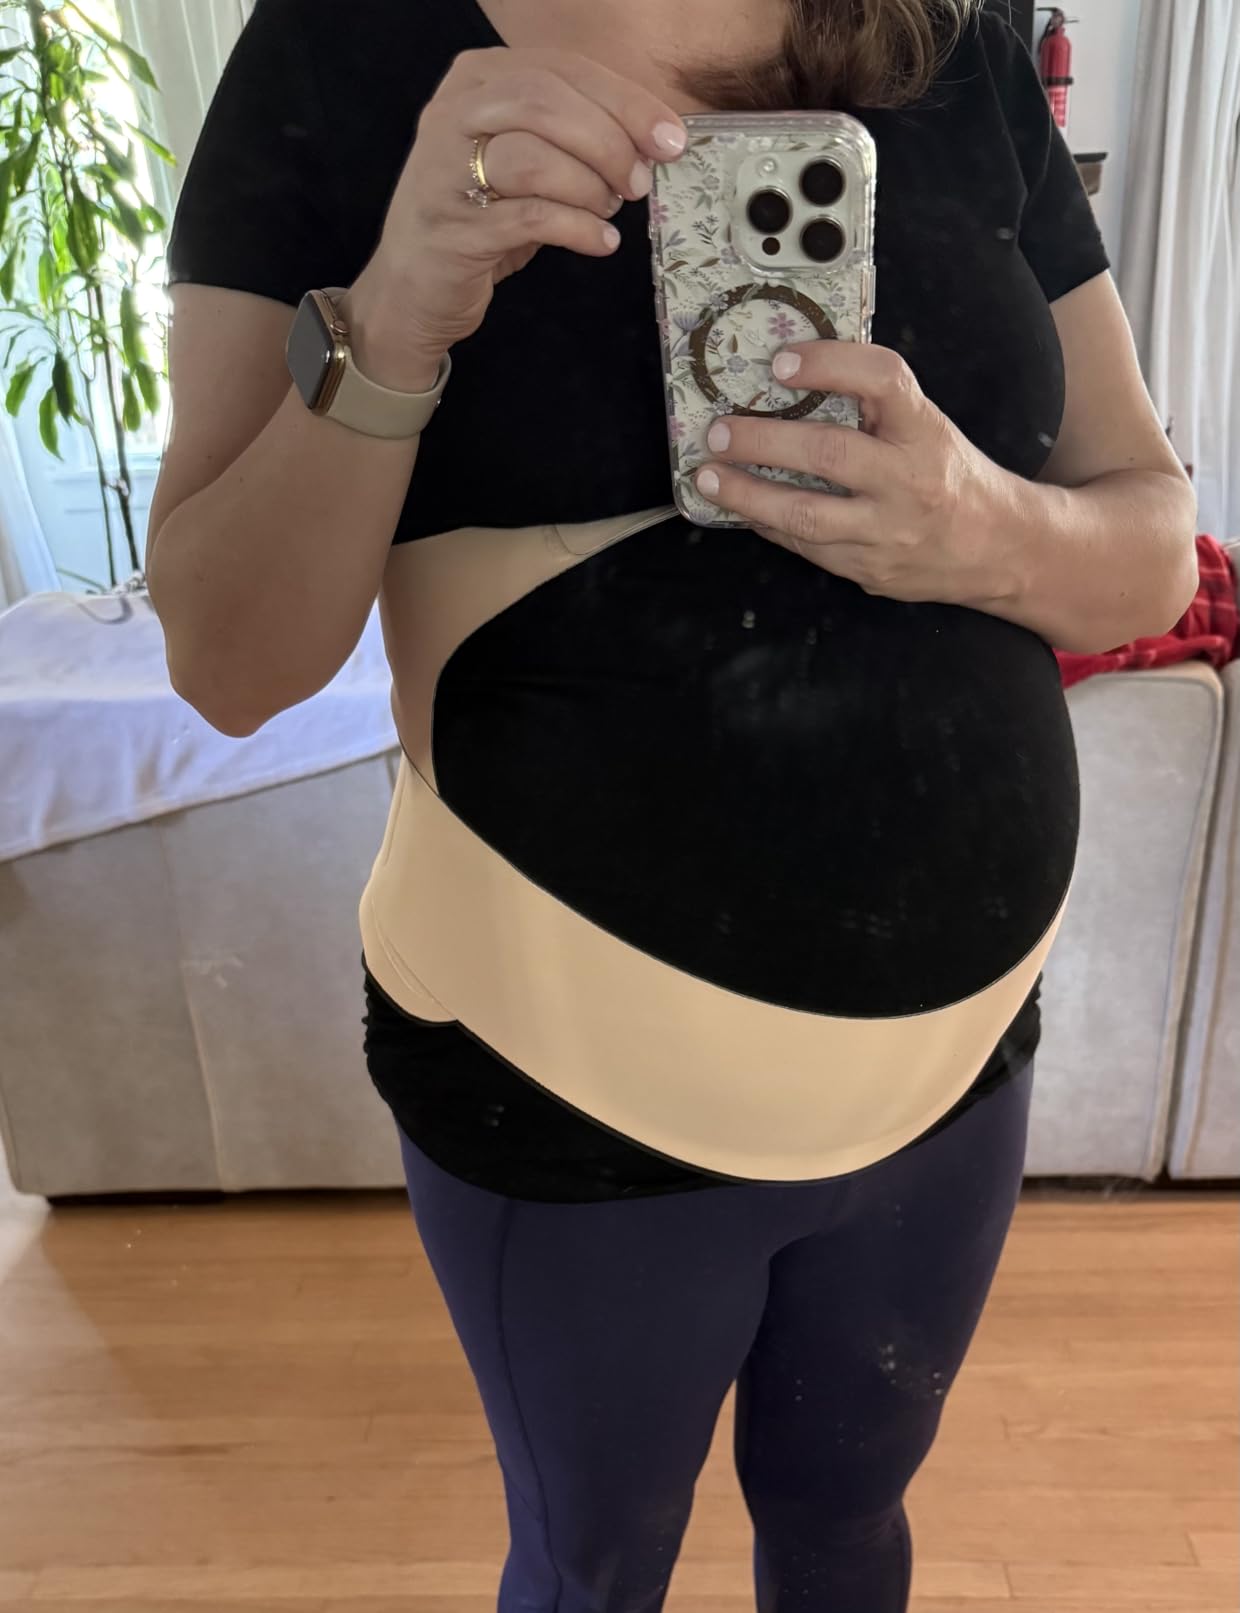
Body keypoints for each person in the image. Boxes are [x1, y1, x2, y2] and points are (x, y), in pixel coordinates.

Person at [147, 0, 1197, 1608]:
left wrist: (978, 524)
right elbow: (229, 662)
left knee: (850, 1526)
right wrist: (395, 317)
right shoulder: (340, 48)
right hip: (566, 1093)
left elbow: (1151, 543)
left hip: (956, 1072)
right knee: (594, 1569)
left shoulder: (959, 42)